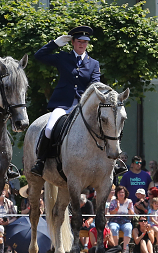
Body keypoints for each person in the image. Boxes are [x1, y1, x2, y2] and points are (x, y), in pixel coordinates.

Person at [31, 26, 126, 177]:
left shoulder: (93, 63)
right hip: (63, 104)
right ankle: (40, 162)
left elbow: (96, 85)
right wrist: (55, 44)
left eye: (85, 42)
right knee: (49, 128)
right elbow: (39, 56)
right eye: (79, 41)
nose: (82, 45)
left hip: (84, 106)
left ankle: (114, 163)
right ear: (73, 42)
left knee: (108, 125)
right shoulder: (63, 57)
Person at [106, 185, 135, 253]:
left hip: (126, 221)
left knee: (128, 228)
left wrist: (129, 209)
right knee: (113, 228)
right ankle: (116, 248)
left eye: (122, 192)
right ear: (116, 194)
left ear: (125, 193)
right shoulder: (113, 202)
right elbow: (111, 214)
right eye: (119, 192)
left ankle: (125, 248)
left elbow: (131, 215)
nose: (121, 194)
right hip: (114, 221)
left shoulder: (129, 201)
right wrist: (117, 208)